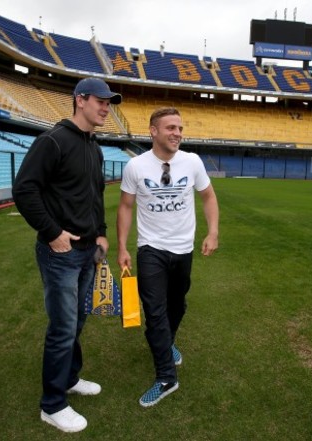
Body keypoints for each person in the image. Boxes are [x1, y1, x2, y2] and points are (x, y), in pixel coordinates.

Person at [12, 77, 122, 433]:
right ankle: (52, 404)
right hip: (60, 252)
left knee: (77, 322)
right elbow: (24, 189)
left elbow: (92, 196)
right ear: (80, 100)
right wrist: (53, 233)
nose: (107, 107)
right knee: (62, 328)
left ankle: (70, 378)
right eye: (101, 101)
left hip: (89, 251)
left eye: (109, 102)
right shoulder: (53, 141)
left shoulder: (94, 146)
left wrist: (102, 234)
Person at [117, 107, 219, 407]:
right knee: (155, 312)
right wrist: (122, 247)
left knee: (178, 304)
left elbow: (209, 196)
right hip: (151, 248)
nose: (177, 133)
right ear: (153, 131)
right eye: (171, 127)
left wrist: (213, 232)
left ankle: (167, 343)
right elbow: (125, 206)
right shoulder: (135, 166)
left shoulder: (192, 162)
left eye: (180, 128)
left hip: (183, 248)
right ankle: (166, 377)